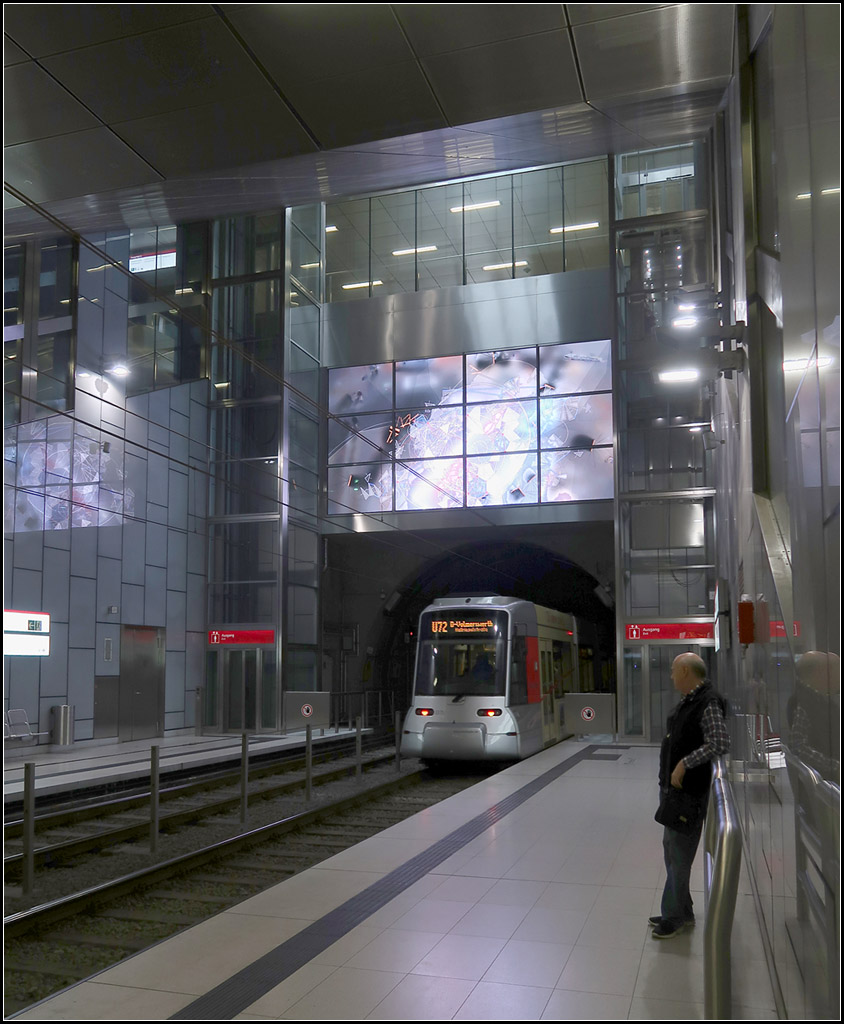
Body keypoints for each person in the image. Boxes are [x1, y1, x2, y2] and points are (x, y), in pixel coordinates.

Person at [652, 652, 729, 939]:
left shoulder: (707, 702)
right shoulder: (691, 701)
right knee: (671, 852)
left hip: (689, 793)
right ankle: (681, 909)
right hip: (675, 791)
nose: (671, 676)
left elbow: (719, 742)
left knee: (679, 854)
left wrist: (685, 763)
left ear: (685, 671)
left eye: (674, 671)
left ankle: (674, 917)